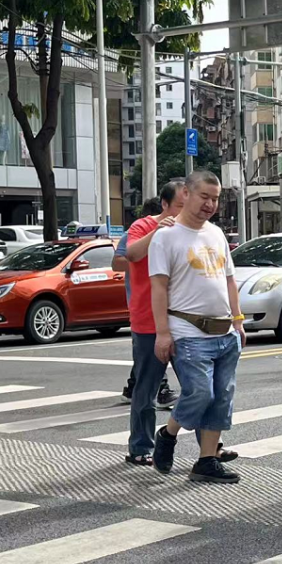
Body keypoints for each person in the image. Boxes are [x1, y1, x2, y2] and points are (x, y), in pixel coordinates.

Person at [149, 170, 245, 483]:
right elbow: (159, 288)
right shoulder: (165, 236)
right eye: (204, 196)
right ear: (186, 194)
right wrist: (163, 332)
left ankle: (206, 461)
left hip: (225, 332)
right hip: (188, 333)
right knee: (200, 393)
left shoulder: (216, 234)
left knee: (221, 398)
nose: (210, 204)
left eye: (215, 199)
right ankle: (168, 434)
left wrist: (238, 319)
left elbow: (229, 280)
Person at [122, 180, 187, 465]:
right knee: (146, 389)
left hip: (184, 321)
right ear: (165, 204)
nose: (185, 213)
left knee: (197, 388)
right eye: (180, 207)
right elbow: (130, 254)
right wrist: (158, 232)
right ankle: (140, 448)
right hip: (148, 321)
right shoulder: (142, 227)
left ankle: (211, 449)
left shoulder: (192, 231)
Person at [114, 196, 177, 408]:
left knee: (146, 360)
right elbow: (119, 261)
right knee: (150, 354)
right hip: (143, 304)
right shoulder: (136, 232)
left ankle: (133, 387)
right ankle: (159, 390)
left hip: (173, 311)